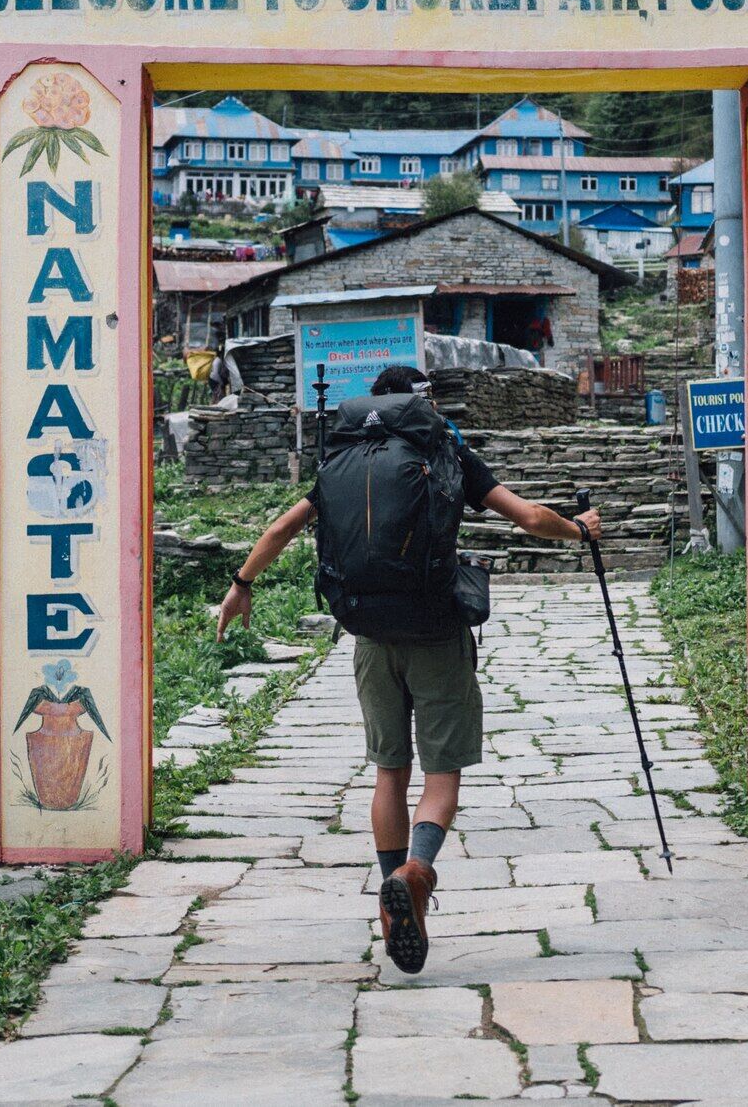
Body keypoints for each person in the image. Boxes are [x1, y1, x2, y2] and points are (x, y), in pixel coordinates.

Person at [216, 363, 601, 973]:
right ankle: (417, 872)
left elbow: (283, 527)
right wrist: (579, 528)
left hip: (370, 636)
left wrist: (241, 585)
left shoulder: (345, 460)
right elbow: (528, 517)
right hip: (437, 633)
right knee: (442, 776)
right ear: (423, 405)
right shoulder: (445, 452)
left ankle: (393, 898)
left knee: (388, 774)